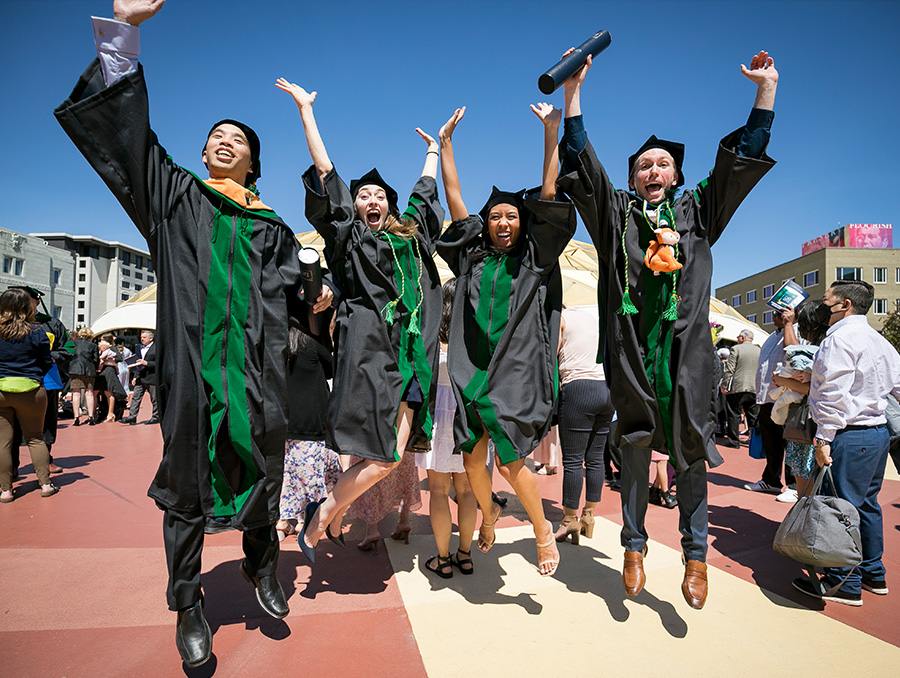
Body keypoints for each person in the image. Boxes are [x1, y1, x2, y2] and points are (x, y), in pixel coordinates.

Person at [56, 1, 333, 667]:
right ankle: (188, 604)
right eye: (215, 134)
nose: (224, 139)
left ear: (253, 162)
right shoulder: (177, 197)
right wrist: (127, 31)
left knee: (264, 471)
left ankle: (261, 566)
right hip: (192, 371)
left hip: (257, 374)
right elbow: (128, 138)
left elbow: (300, 300)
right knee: (186, 489)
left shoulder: (272, 228)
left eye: (238, 137)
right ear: (204, 152)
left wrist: (316, 295)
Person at [558, 49, 778, 609]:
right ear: (635, 178)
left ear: (676, 175)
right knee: (633, 448)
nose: (653, 171)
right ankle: (633, 545)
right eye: (643, 166)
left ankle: (695, 553)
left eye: (662, 165)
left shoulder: (699, 212)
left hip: (686, 352)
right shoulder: (618, 218)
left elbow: (739, 163)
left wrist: (764, 92)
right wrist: (573, 93)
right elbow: (586, 166)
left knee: (690, 453)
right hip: (632, 348)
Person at [277, 77, 444, 563]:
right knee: (377, 452)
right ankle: (324, 515)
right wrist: (307, 112)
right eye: (364, 194)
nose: (372, 200)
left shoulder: (411, 238)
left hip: (412, 355)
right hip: (370, 349)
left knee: (390, 457)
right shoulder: (351, 238)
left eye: (379, 195)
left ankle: (322, 515)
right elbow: (328, 175)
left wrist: (435, 150)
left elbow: (425, 195)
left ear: (389, 205)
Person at [436, 103, 576, 577]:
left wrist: (551, 133)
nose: (502, 222)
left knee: (513, 457)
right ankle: (490, 514)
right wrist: (446, 146)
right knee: (473, 459)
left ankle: (540, 533)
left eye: (511, 216)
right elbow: (455, 200)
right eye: (494, 216)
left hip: (513, 371)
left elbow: (551, 194)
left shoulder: (534, 260)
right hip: (474, 367)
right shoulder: (472, 259)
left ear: (521, 222)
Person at [793, 280, 900, 606]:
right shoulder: (877, 339)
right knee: (866, 504)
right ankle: (873, 572)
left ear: (844, 305)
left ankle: (843, 583)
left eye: (827, 300)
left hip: (848, 434)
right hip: (876, 431)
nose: (822, 306)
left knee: (840, 507)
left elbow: (833, 394)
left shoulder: (839, 339)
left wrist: (824, 437)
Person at [416, 279, 479, 578]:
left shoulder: (431, 337)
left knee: (439, 491)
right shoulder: (472, 338)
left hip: (438, 414)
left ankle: (442, 559)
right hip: (467, 414)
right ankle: (464, 554)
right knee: (467, 490)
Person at [275, 327, 342, 541]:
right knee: (311, 472)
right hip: (313, 419)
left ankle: (283, 519)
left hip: (286, 419)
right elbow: (332, 369)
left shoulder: (277, 341)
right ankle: (306, 520)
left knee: (287, 471)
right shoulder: (312, 343)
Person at [555, 305, 614, 543]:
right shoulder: (591, 318)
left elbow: (552, 351)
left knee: (572, 459)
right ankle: (589, 515)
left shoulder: (559, 319)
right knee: (596, 457)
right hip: (606, 388)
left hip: (578, 388)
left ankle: (569, 520)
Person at [0, 288, 57, 502]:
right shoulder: (37, 332)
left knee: (2, 442)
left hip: (1, 390)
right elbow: (45, 363)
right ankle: (45, 484)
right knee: (35, 438)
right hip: (32, 390)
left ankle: (6, 490)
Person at [7, 286, 68, 478]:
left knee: (46, 424)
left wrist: (53, 357)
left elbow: (69, 347)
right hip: (12, 382)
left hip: (46, 380)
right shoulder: (7, 324)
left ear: (37, 302)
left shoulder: (52, 324)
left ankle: (45, 460)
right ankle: (12, 465)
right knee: (11, 427)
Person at [769, 300, 828, 501]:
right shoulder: (823, 347)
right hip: (816, 425)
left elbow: (807, 388)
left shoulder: (819, 350)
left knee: (807, 484)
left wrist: (781, 380)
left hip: (810, 424)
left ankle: (804, 523)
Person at [747, 307, 799, 499]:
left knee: (791, 443)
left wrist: (789, 324)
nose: (775, 316)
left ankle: (794, 485)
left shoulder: (796, 330)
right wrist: (760, 398)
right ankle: (771, 481)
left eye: (779, 314)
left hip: (786, 397)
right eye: (775, 313)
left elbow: (792, 352)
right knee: (772, 443)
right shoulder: (771, 335)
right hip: (768, 398)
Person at [721, 329, 761, 448]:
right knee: (753, 415)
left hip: (738, 387)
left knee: (734, 413)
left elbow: (730, 369)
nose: (737, 339)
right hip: (753, 387)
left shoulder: (736, 349)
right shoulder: (759, 350)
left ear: (743, 338)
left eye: (738, 337)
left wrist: (724, 385)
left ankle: (734, 441)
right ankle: (754, 440)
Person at [120, 330, 158, 425]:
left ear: (151, 338)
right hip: (140, 377)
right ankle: (132, 417)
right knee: (136, 397)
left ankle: (156, 417)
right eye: (141, 337)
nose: (142, 339)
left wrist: (147, 363)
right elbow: (137, 363)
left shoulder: (157, 348)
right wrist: (135, 376)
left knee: (154, 398)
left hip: (152, 377)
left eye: (144, 337)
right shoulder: (139, 347)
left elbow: (161, 363)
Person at [68, 328, 99, 426]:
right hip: (89, 370)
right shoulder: (93, 345)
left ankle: (76, 418)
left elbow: (69, 356)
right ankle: (91, 417)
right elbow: (96, 359)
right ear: (90, 336)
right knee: (89, 393)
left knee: (76, 393)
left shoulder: (74, 344)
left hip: (75, 369)